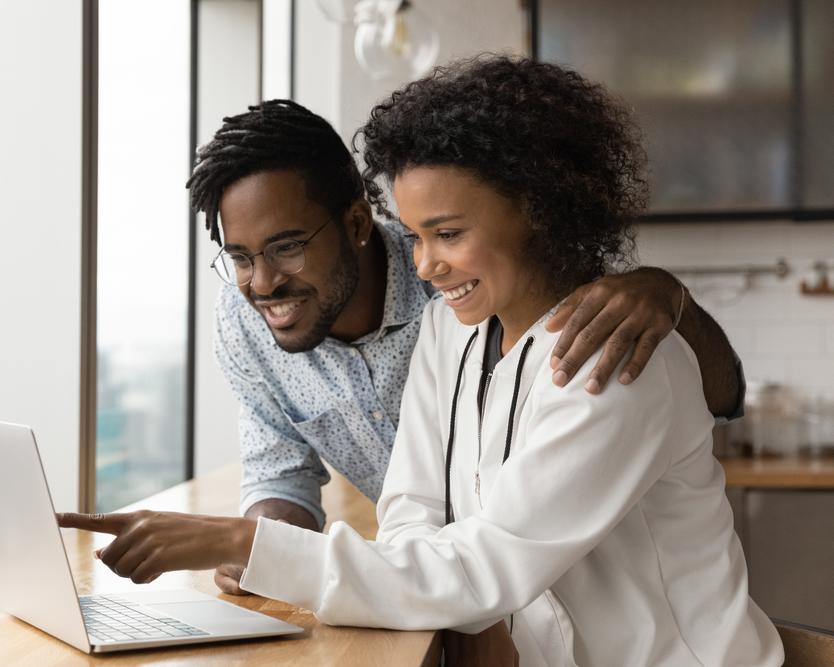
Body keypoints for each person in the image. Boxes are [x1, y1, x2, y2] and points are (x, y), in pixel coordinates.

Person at [60, 56, 782, 666]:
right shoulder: (453, 333)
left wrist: (240, 541)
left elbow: (485, 565)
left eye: (447, 233)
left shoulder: (619, 359)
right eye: (413, 234)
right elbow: (413, 516)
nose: (425, 263)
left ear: (537, 207)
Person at [186, 98, 743, 597]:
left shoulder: (571, 329)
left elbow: (488, 566)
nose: (261, 284)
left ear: (358, 222)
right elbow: (402, 511)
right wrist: (260, 550)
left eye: (287, 247)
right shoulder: (447, 323)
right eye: (239, 257)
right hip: (456, 591)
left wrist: (674, 300)